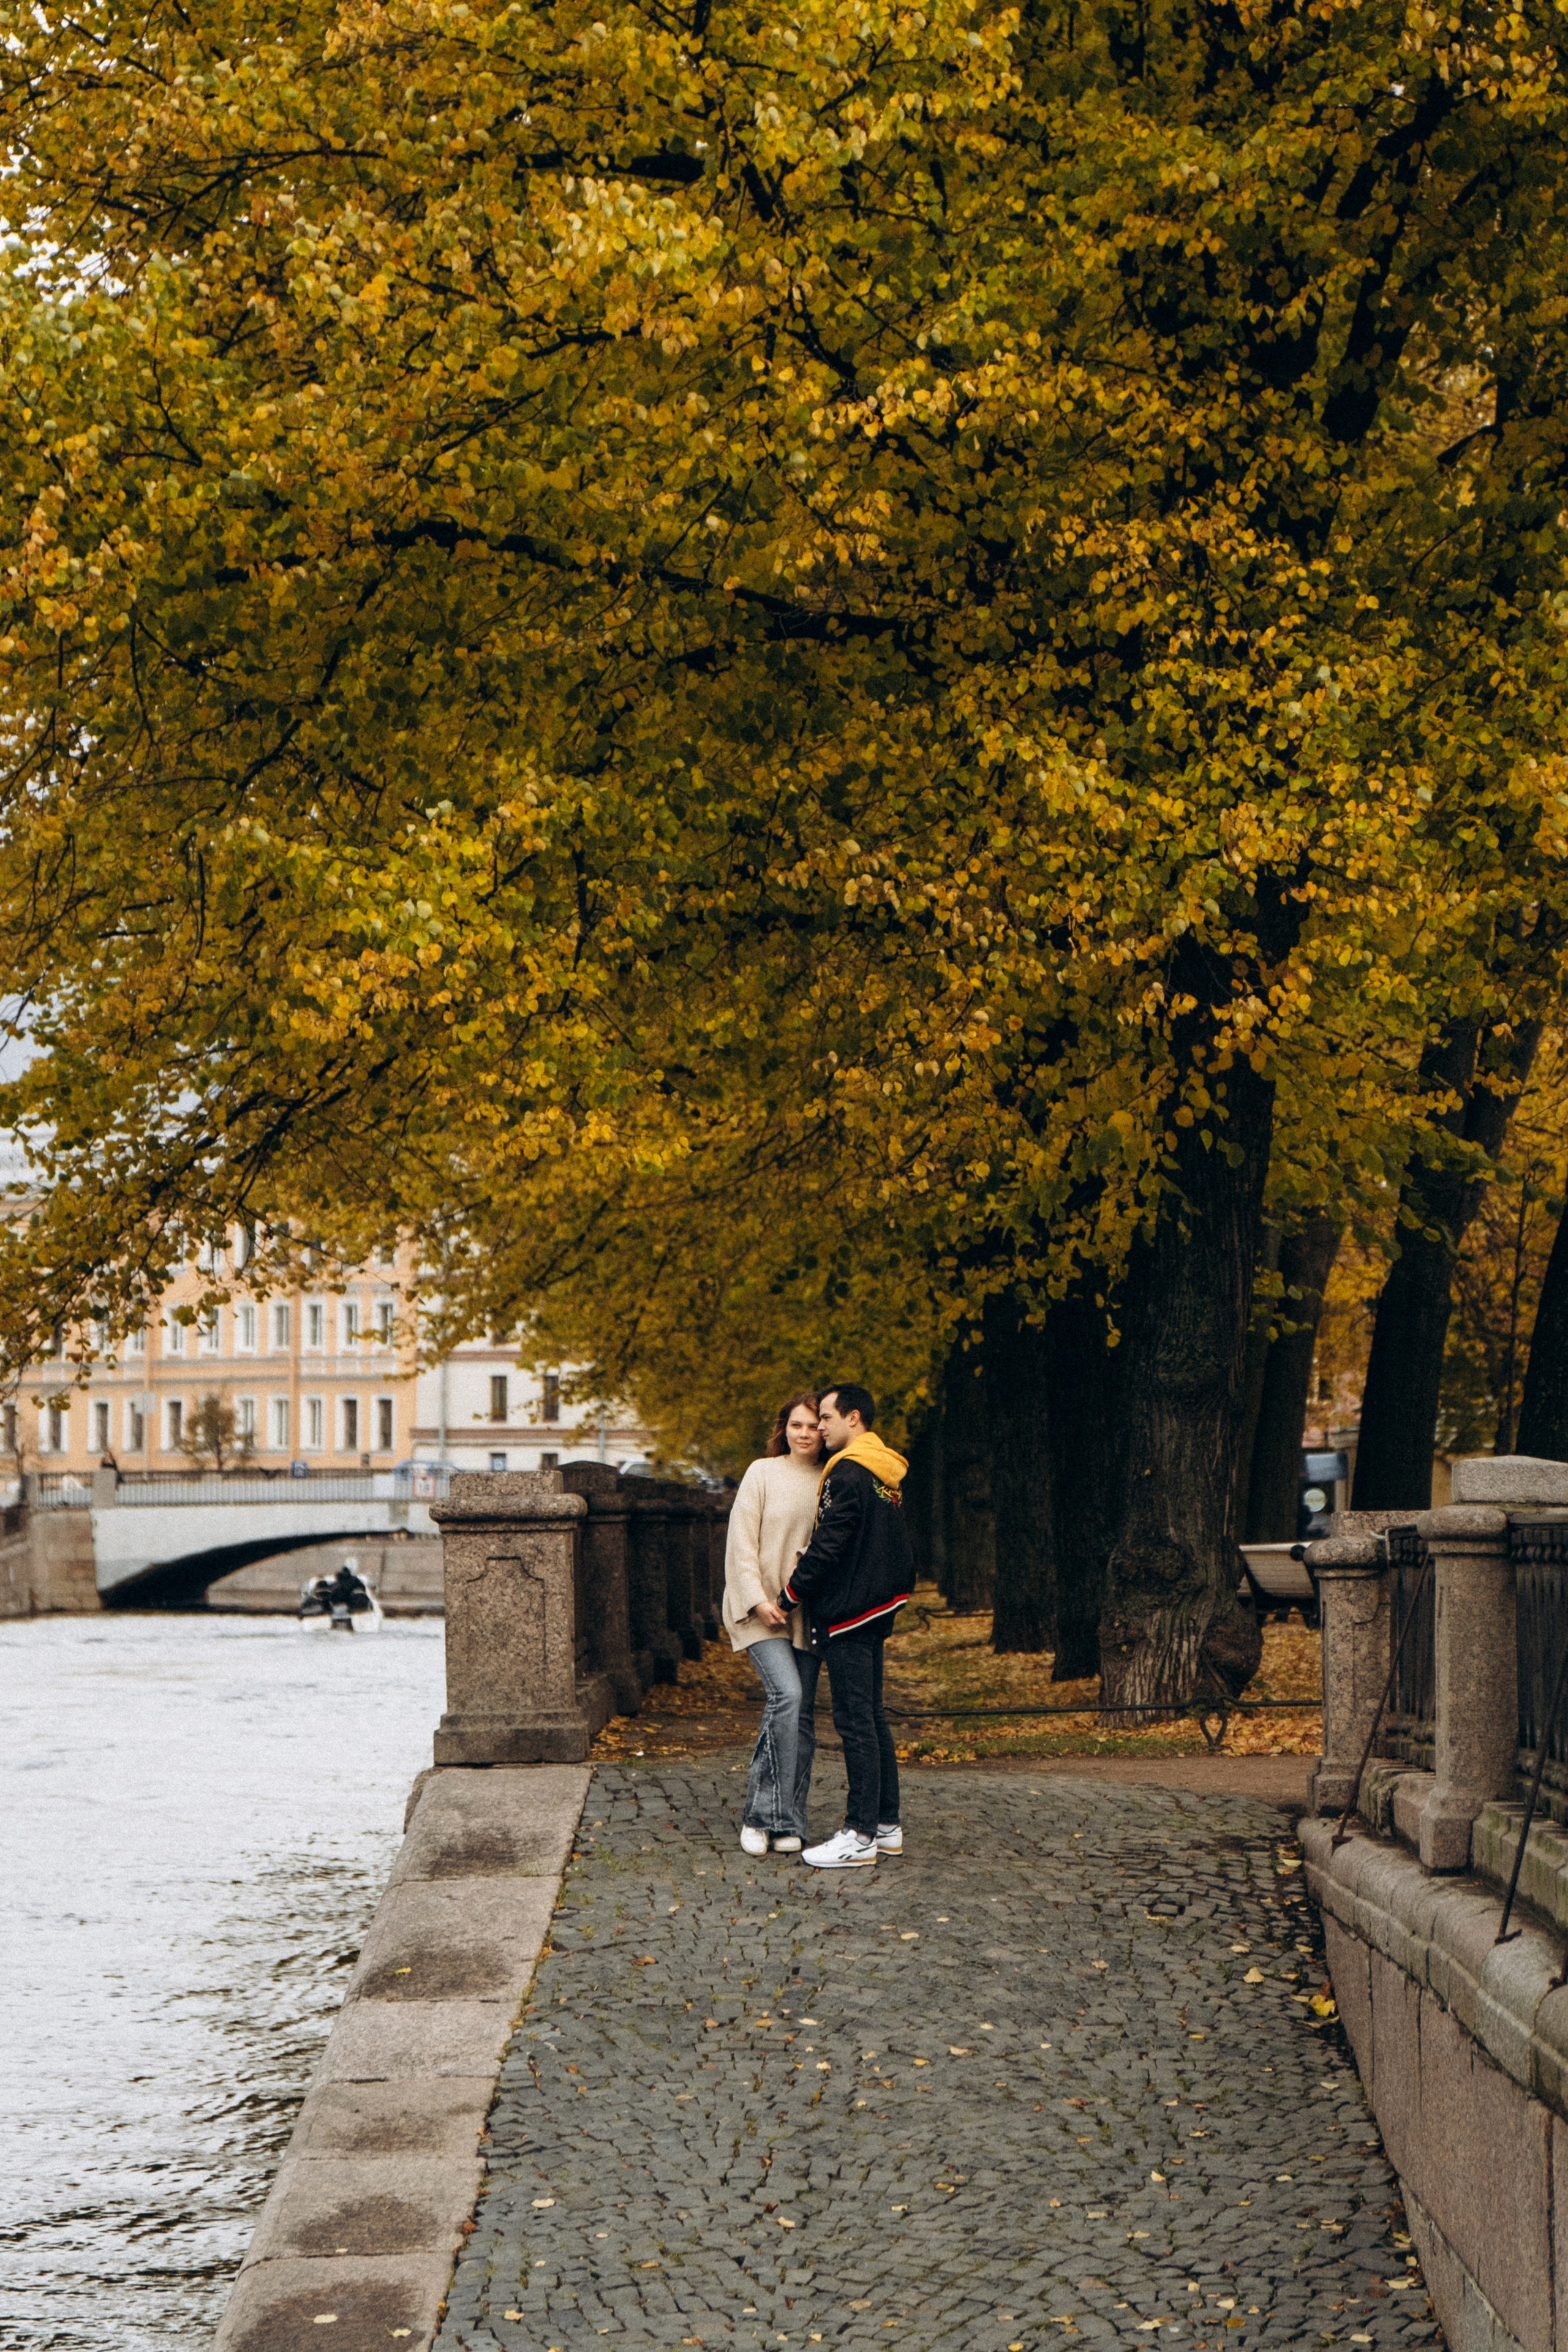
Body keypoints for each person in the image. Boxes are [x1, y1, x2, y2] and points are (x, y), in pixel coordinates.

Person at [780, 1383, 912, 1869]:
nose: (819, 1428)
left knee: (855, 1721)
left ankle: (859, 1835)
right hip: (878, 1604)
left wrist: (792, 1593)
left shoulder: (849, 1473)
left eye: (828, 1419)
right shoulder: (884, 1472)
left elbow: (830, 1543)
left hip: (853, 1610)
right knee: (873, 1718)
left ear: (854, 1418)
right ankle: (886, 1825)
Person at [722, 1390, 826, 1856]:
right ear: (783, 1428)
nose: (804, 1434)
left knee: (801, 1717)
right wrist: (758, 1599)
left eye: (812, 1426)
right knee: (787, 1695)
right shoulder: (762, 1472)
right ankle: (759, 1816)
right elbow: (741, 1542)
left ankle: (790, 1820)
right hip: (758, 1609)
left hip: (807, 1611)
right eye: (796, 1425)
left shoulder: (832, 1477)